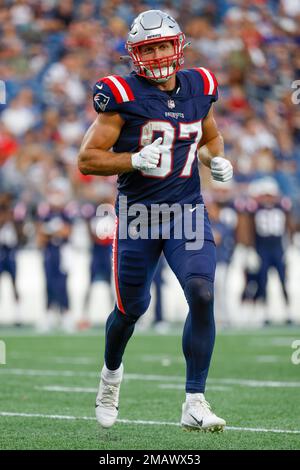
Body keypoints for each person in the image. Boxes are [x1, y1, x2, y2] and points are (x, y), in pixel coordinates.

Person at [78, 10, 233, 432]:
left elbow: (209, 135)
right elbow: (87, 159)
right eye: (150, 48)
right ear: (135, 54)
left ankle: (195, 401)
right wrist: (131, 159)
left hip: (187, 210)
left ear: (178, 45)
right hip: (139, 217)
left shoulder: (200, 86)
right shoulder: (121, 94)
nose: (160, 54)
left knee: (201, 293)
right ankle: (110, 377)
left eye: (165, 45)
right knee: (131, 310)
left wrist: (215, 159)